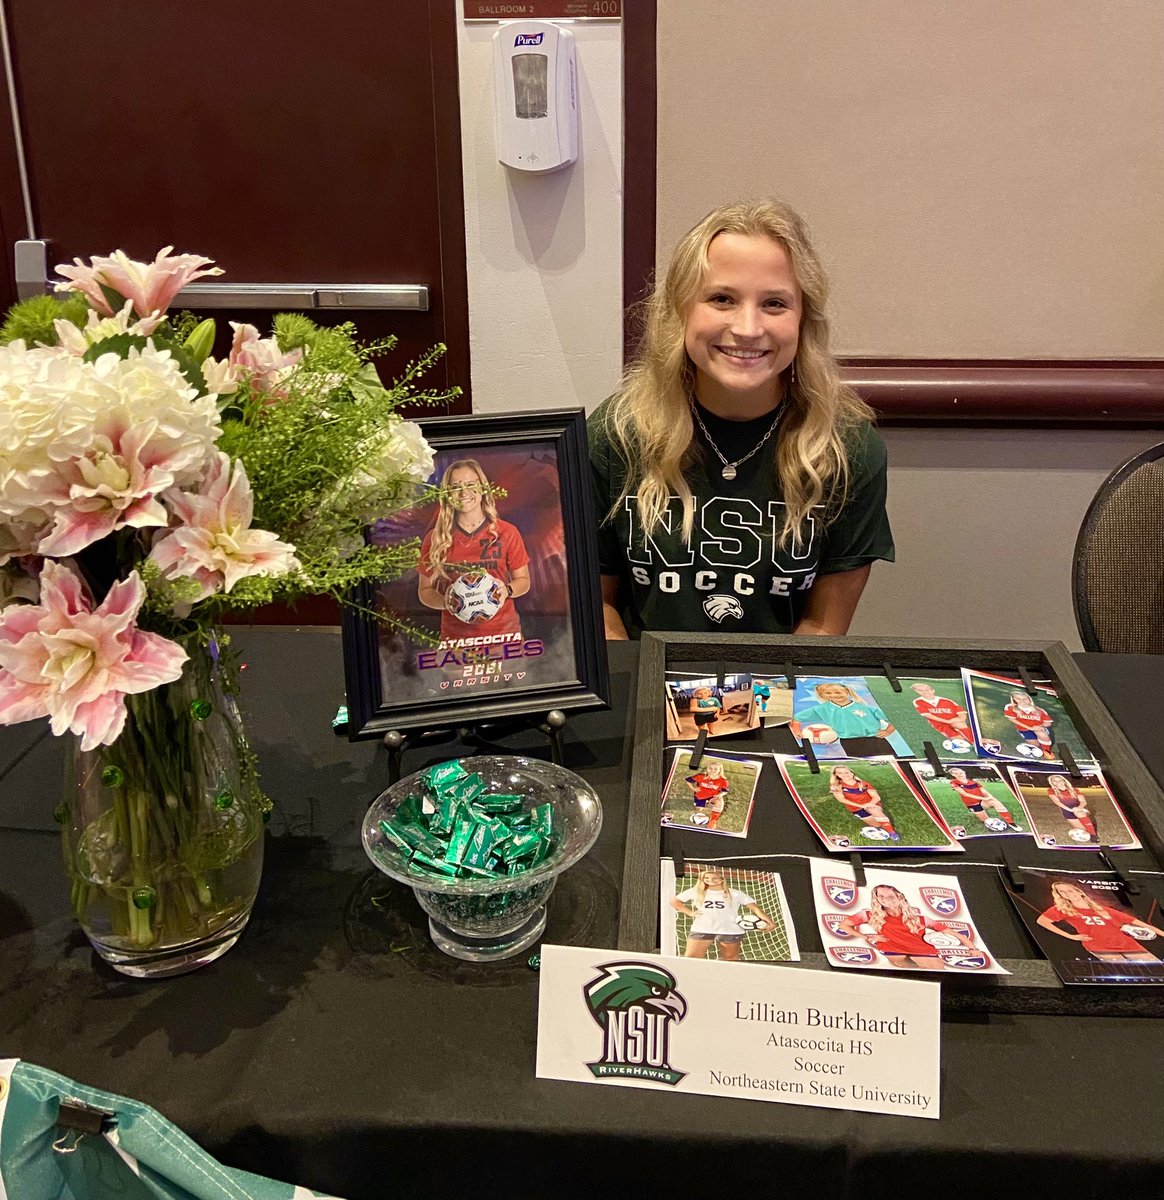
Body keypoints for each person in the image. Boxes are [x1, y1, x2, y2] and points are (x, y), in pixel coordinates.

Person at [589, 198, 893, 640]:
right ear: (680, 310)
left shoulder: (848, 450)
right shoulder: (616, 434)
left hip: (779, 697)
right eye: (721, 299)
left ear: (804, 318)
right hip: (646, 689)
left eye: (774, 303)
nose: (748, 328)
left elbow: (822, 626)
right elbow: (596, 606)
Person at [417, 459, 531, 645]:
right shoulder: (435, 538)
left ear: (483, 488)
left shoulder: (507, 532)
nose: (464, 493)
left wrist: (507, 590)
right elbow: (425, 591)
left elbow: (524, 581)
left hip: (505, 638)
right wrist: (447, 602)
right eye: (455, 487)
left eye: (471, 484)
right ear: (447, 494)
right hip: (457, 644)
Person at [838, 883, 976, 970]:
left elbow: (954, 933)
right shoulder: (870, 915)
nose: (887, 899)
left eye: (891, 896)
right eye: (881, 896)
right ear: (877, 899)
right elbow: (844, 925)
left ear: (899, 897)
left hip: (924, 952)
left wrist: (972, 948)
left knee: (936, 972)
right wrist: (866, 937)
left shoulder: (920, 919)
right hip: (895, 953)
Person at [1036, 880, 1164, 964]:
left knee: (1157, 972)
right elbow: (1042, 921)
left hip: (1130, 946)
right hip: (1101, 949)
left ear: (1078, 891)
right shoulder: (1062, 910)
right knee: (1130, 976)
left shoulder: (1104, 909)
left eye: (1069, 890)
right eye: (1062, 892)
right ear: (1060, 896)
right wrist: (1071, 936)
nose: (1067, 893)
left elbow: (1140, 923)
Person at [672, 868, 776, 960]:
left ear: (722, 879)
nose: (711, 881)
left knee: (731, 959)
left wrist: (770, 922)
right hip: (702, 928)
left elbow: (755, 909)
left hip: (729, 930)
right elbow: (675, 901)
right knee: (691, 959)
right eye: (707, 878)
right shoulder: (696, 891)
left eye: (715, 878)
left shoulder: (735, 893)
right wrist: (690, 912)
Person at [791, 682, 896, 742]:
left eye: (838, 692)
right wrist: (797, 731)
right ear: (823, 695)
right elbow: (796, 718)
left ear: (847, 691)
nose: (834, 695)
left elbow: (895, 719)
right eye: (828, 693)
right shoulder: (822, 709)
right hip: (847, 741)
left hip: (874, 739)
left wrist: (888, 731)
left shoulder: (866, 708)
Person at [828, 765, 900, 842]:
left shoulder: (863, 784)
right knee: (878, 825)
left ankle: (892, 833)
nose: (844, 774)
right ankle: (880, 828)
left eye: (846, 772)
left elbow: (877, 797)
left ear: (852, 773)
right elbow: (841, 800)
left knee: (874, 810)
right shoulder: (836, 786)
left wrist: (870, 804)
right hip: (856, 808)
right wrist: (861, 806)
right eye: (840, 773)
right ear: (837, 775)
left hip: (871, 804)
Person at [946, 767, 1020, 830]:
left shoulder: (973, 782)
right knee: (986, 821)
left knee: (995, 801)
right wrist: (984, 798)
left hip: (981, 801)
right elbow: (965, 794)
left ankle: (1011, 823)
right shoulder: (954, 782)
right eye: (956, 773)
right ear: (953, 775)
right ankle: (991, 821)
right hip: (972, 804)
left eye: (960, 772)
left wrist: (989, 796)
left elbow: (984, 791)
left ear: (964, 772)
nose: (959, 775)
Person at [910, 682, 975, 747]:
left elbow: (961, 713)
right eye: (920, 690)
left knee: (959, 723)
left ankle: (974, 742)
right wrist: (947, 721)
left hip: (953, 720)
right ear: (916, 692)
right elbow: (928, 715)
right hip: (939, 724)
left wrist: (958, 719)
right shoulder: (918, 701)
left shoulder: (946, 701)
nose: (925, 692)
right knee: (959, 740)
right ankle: (962, 742)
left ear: (933, 690)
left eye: (927, 690)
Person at [1003, 690, 1055, 760]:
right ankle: (1034, 747)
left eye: (1025, 699)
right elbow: (1012, 719)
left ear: (1030, 699)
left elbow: (1048, 723)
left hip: (1038, 728)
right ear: (1014, 699)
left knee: (1041, 734)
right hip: (1024, 729)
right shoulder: (1010, 707)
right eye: (1018, 699)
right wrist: (1029, 728)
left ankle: (1047, 751)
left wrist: (1040, 726)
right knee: (1035, 745)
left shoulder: (1040, 710)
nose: (1022, 701)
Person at [1045, 774, 1098, 842]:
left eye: (1059, 780)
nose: (1058, 782)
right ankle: (1090, 825)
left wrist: (1078, 808)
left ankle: (1094, 836)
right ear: (1052, 783)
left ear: (1064, 781)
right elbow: (1057, 802)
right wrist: (1069, 810)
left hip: (1080, 809)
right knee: (1085, 831)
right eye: (1054, 781)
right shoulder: (1051, 790)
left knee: (1079, 813)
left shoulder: (1074, 790)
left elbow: (1083, 801)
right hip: (1067, 812)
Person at [684, 758, 730, 829]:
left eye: (715, 769)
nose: (712, 770)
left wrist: (719, 795)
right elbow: (688, 780)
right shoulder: (701, 776)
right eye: (710, 768)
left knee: (719, 800)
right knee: (699, 812)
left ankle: (713, 820)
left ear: (720, 770)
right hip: (700, 797)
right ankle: (701, 808)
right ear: (707, 769)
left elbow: (725, 791)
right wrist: (693, 788)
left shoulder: (723, 781)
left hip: (712, 797)